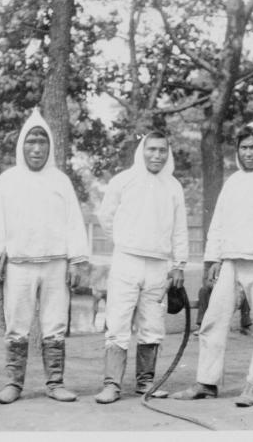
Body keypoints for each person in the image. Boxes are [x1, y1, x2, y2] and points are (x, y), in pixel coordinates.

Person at [171, 115, 253, 407]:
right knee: (213, 321)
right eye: (243, 148)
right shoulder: (233, 182)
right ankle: (206, 382)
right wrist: (213, 258)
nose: (248, 153)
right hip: (230, 263)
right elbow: (219, 222)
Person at [0, 108, 88, 405]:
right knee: (17, 324)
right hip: (18, 266)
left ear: (49, 146)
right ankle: (14, 383)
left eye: (42, 141)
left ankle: (55, 383)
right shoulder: (8, 180)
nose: (37, 148)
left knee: (54, 324)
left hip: (55, 265)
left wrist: (76, 260)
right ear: (21, 146)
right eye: (31, 141)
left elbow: (74, 222)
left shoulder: (61, 181)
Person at [94, 131, 189, 404]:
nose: (157, 155)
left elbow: (180, 229)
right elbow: (106, 217)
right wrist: (125, 240)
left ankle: (145, 382)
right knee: (118, 321)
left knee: (152, 323)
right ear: (142, 150)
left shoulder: (173, 186)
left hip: (159, 265)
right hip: (126, 260)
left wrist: (178, 264)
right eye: (152, 149)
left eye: (162, 150)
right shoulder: (123, 181)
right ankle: (112, 384)